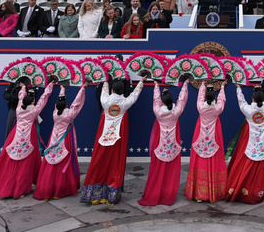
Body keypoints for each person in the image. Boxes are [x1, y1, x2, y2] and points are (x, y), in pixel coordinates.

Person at [0, 78, 56, 198]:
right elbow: (44, 99)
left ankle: (7, 186)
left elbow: (21, 98)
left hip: (15, 138)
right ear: (32, 102)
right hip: (28, 140)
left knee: (12, 163)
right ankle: (20, 188)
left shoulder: (19, 109)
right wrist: (50, 86)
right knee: (24, 166)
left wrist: (22, 88)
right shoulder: (34, 111)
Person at [80, 77, 145, 205]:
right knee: (115, 164)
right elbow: (135, 94)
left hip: (104, 138)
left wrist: (105, 80)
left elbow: (104, 90)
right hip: (118, 139)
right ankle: (112, 195)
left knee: (99, 162)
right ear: (122, 91)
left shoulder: (105, 101)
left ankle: (95, 193)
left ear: (113, 89)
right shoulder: (125, 103)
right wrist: (141, 81)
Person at [225, 80, 264, 204]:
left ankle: (241, 188)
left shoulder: (249, 111)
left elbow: (241, 101)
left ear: (253, 99)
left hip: (249, 142)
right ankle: (256, 191)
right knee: (259, 168)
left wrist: (238, 88)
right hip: (262, 143)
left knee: (244, 164)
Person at [139, 78, 190, 206]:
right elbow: (182, 100)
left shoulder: (159, 113)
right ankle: (168, 195)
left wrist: (156, 86)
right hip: (172, 146)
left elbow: (155, 100)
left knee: (157, 170)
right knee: (170, 171)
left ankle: (155, 193)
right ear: (171, 102)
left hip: (160, 146)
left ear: (162, 102)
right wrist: (185, 85)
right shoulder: (176, 112)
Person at [33, 84, 87, 200]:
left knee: (51, 161)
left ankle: (47, 188)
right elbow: (77, 103)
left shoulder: (55, 113)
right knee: (63, 161)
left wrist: (62, 89)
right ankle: (60, 189)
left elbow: (61, 101)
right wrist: (82, 89)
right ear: (67, 105)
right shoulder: (69, 114)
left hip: (54, 138)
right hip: (66, 139)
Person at [185, 79, 228, 202]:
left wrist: (203, 85)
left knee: (200, 161)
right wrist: (223, 87)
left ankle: (199, 194)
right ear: (214, 97)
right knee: (214, 160)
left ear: (205, 97)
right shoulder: (217, 109)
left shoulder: (201, 107)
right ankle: (214, 192)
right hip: (214, 137)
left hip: (200, 136)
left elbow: (199, 98)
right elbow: (222, 100)